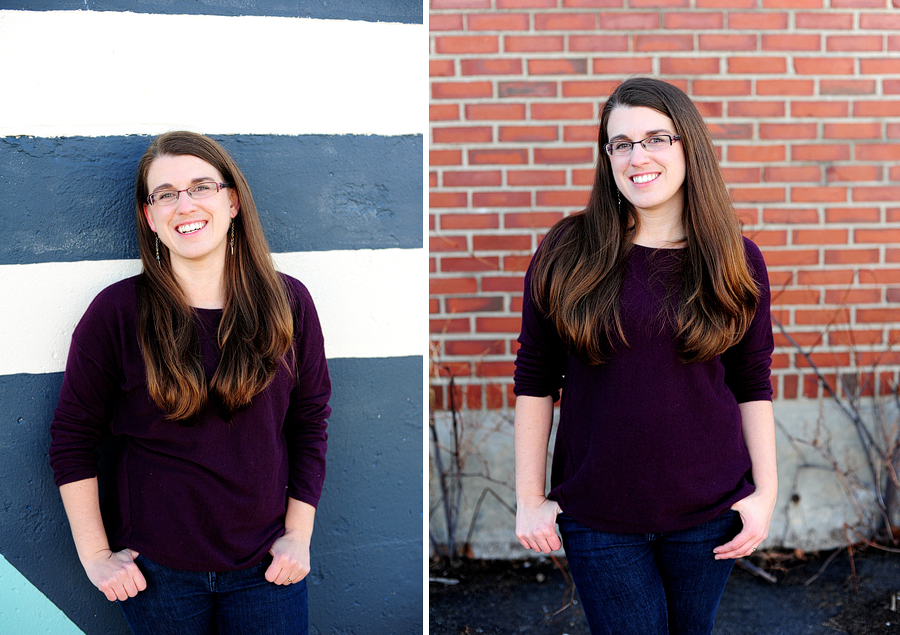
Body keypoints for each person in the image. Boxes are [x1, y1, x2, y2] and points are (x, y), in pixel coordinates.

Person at [513, 77, 776, 635]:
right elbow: (537, 376)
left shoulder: (735, 259)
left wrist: (766, 495)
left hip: (710, 512)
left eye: (657, 138)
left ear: (689, 148)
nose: (639, 157)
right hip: (600, 515)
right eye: (621, 143)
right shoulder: (568, 250)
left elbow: (751, 380)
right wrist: (529, 497)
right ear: (607, 157)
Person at [49, 131, 331, 635]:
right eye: (165, 194)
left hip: (267, 568)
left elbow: (309, 423)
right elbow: (72, 437)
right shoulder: (116, 313)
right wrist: (95, 555)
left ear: (232, 201)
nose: (185, 204)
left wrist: (298, 536)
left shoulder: (289, 305)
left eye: (202, 186)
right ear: (149, 217)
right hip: (157, 576)